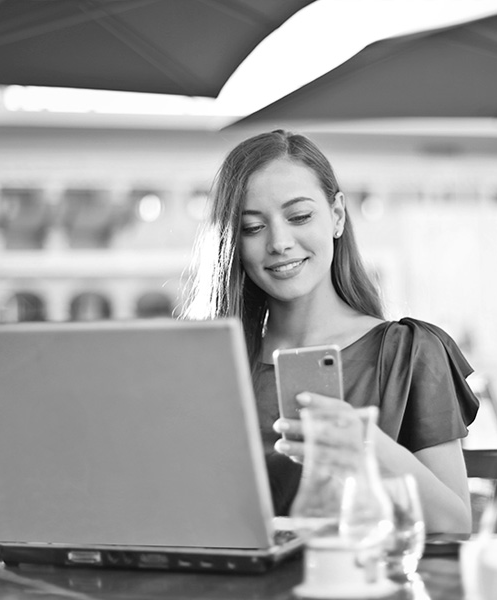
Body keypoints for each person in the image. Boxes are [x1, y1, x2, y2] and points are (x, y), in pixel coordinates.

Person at [182, 130, 478, 534]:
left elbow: (457, 523)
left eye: (299, 216)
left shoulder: (408, 351)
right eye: (253, 227)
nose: (280, 243)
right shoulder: (209, 364)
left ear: (337, 215)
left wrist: (365, 446)